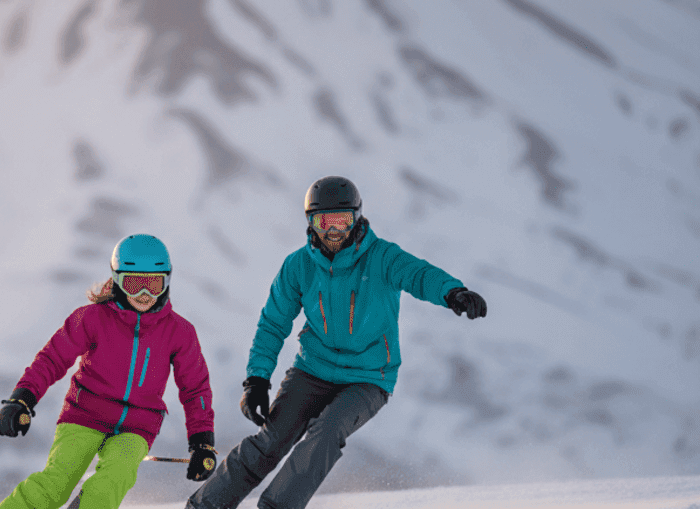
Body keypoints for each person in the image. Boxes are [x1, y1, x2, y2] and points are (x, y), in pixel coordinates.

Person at [186, 176, 487, 509]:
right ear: (310, 223)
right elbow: (273, 323)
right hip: (312, 370)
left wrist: (452, 292)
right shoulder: (298, 266)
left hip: (368, 377)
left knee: (326, 434)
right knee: (270, 442)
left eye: (342, 220)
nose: (333, 231)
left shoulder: (382, 257)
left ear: (357, 218)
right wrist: (256, 379)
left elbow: (419, 274)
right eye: (323, 221)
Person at [0, 234, 218, 509]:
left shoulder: (179, 332)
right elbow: (52, 359)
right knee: (56, 484)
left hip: (138, 425)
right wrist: (22, 398)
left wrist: (202, 441)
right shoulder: (91, 318)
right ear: (117, 280)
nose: (145, 295)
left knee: (111, 483)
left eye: (154, 284)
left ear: (167, 282)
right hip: (84, 414)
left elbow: (195, 389)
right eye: (135, 284)